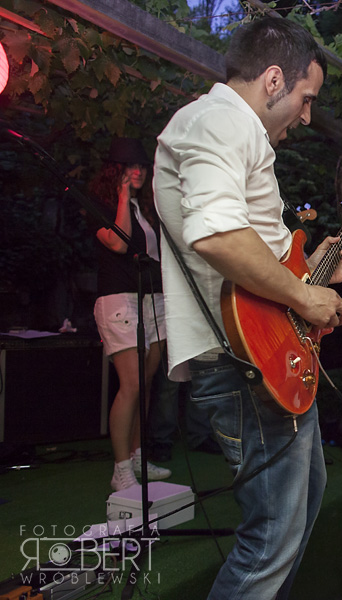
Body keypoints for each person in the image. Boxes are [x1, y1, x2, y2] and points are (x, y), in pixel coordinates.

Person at [153, 17, 342, 600]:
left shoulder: (235, 130)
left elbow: (252, 255)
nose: (308, 115)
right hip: (244, 365)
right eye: (306, 98)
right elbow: (217, 236)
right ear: (274, 80)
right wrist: (302, 295)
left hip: (265, 354)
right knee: (270, 538)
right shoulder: (221, 120)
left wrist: (309, 270)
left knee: (295, 519)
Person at [89, 136, 171, 491]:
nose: (138, 171)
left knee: (147, 384)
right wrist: (122, 196)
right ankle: (120, 468)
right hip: (119, 300)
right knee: (133, 383)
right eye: (130, 167)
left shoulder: (146, 208)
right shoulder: (101, 204)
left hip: (152, 299)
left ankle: (138, 455)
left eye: (142, 166)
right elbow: (119, 243)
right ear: (116, 171)